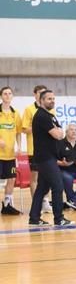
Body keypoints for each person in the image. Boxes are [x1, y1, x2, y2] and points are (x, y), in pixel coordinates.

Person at [28, 90, 74, 226]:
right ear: (41, 101)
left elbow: (61, 132)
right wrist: (58, 132)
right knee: (58, 186)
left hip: (50, 157)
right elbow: (57, 134)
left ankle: (34, 218)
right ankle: (59, 218)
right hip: (45, 158)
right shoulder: (41, 116)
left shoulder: (50, 116)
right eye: (49, 99)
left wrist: (59, 132)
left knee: (42, 188)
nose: (52, 101)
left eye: (53, 98)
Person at [22, 85, 50, 213]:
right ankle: (36, 204)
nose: (41, 95)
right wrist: (39, 127)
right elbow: (24, 129)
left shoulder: (50, 109)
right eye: (39, 93)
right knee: (35, 177)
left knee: (47, 176)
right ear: (35, 94)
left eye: (43, 93)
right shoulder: (29, 109)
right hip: (34, 149)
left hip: (47, 150)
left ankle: (45, 201)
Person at [0, 86, 22, 215]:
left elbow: (18, 132)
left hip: (10, 154)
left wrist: (19, 146)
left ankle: (7, 205)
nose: (7, 96)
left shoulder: (15, 113)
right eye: (5, 94)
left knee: (12, 178)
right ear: (1, 96)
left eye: (10, 93)